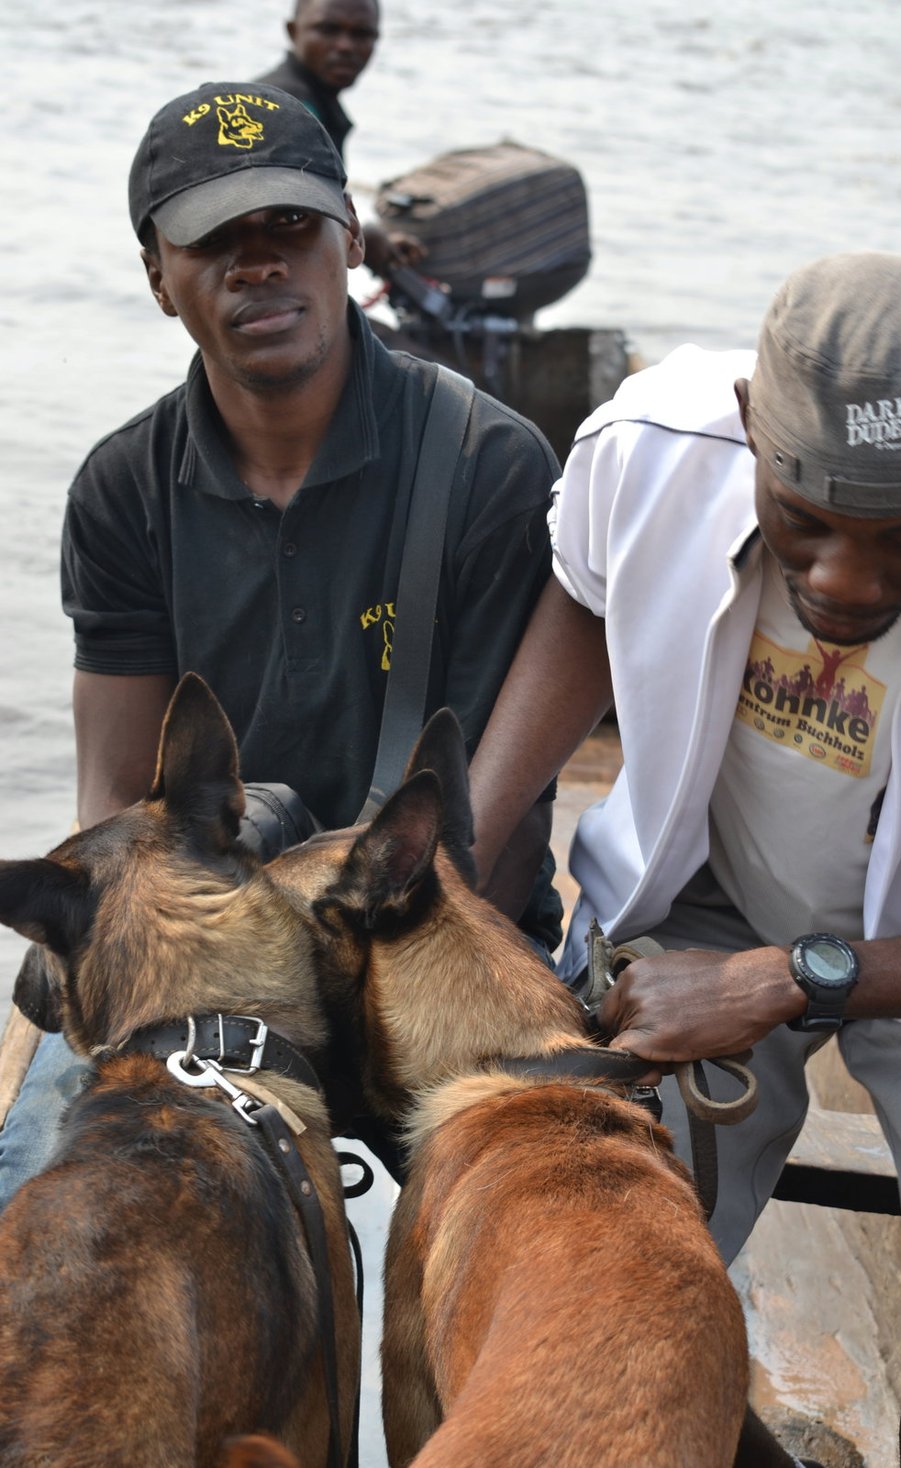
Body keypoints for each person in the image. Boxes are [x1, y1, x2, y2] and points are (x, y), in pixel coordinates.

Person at [0, 79, 560, 1200]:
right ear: (159, 278)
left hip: (430, 953)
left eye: (290, 226)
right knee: (36, 1222)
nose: (260, 263)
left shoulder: (489, 466)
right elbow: (116, 811)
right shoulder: (123, 490)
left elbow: (470, 849)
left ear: (349, 239)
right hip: (222, 986)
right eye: (215, 240)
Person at [469, 251, 901, 1467]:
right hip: (701, 896)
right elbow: (587, 604)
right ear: (752, 424)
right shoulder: (647, 445)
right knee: (591, 1253)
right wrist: (463, 840)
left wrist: (786, 979)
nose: (845, 582)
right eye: (803, 522)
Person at [255, 0, 421, 277]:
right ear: (293, 31)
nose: (345, 46)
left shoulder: (305, 99)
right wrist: (361, 237)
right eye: (328, 30)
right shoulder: (289, 111)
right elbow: (282, 227)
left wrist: (366, 238)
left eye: (362, 34)